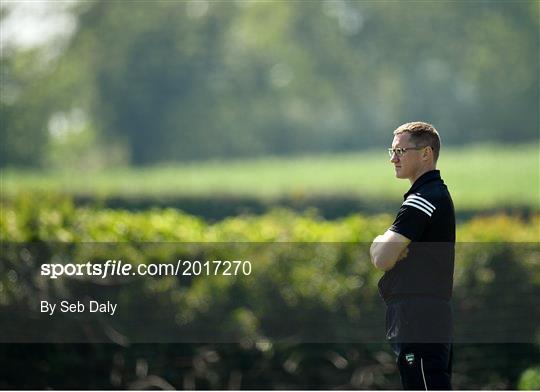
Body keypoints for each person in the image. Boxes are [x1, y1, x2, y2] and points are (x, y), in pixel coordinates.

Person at [370, 121, 455, 390]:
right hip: (418, 315)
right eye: (391, 151)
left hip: (419, 316)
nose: (393, 159)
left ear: (426, 153)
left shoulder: (423, 198)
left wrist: (380, 243)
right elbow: (384, 252)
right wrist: (383, 244)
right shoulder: (425, 195)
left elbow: (382, 258)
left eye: (400, 151)